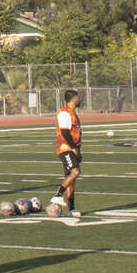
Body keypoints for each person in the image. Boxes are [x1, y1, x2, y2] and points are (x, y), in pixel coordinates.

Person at [50, 89, 83, 219]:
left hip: (72, 149)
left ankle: (71, 209)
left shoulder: (73, 113)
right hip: (65, 148)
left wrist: (78, 151)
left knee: (71, 180)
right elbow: (64, 133)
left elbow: (75, 134)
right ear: (74, 99)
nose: (80, 100)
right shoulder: (64, 113)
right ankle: (58, 195)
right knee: (76, 172)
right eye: (78, 98)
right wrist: (73, 148)